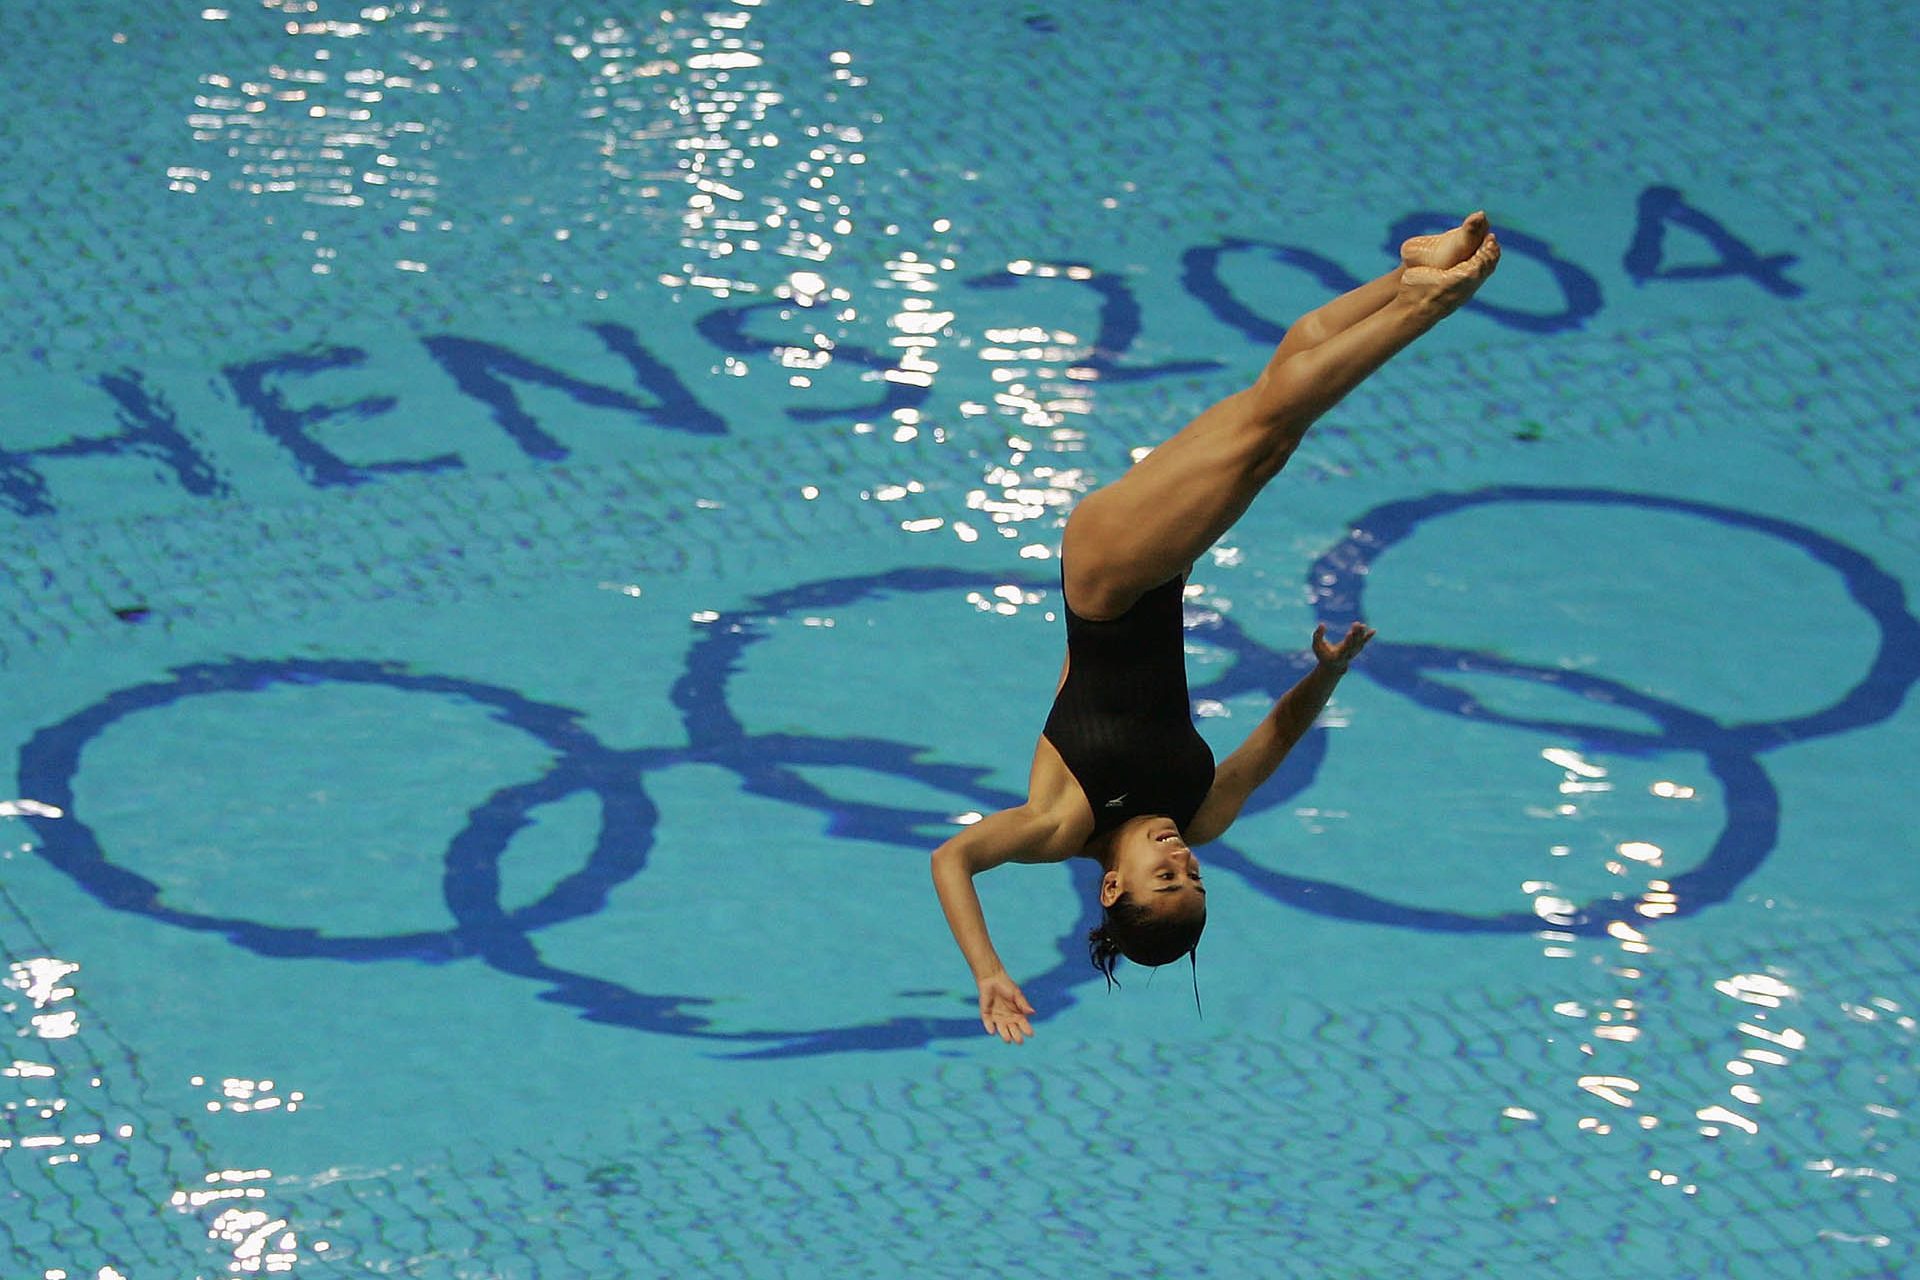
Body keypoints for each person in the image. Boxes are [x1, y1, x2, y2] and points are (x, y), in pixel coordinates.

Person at [930, 211, 1502, 1044]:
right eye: (1193, 879)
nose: (1181, 858)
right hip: (1160, 574)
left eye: (1164, 878)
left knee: (1269, 425)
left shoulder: (1058, 826)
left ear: (1114, 888)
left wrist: (987, 970)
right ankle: (1412, 269)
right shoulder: (1201, 814)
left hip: (1107, 572)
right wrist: (1327, 676)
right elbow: (1273, 740)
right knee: (1272, 426)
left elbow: (951, 860)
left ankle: (1427, 301)